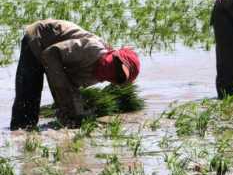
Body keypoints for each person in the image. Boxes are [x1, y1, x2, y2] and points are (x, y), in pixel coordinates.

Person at [10, 19, 140, 130]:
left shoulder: (96, 76)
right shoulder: (92, 50)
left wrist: (74, 110)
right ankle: (17, 139)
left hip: (55, 59)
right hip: (38, 38)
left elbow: (70, 86)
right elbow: (50, 54)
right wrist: (65, 98)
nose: (113, 72)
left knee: (67, 111)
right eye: (116, 65)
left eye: (119, 75)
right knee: (27, 105)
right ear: (113, 54)